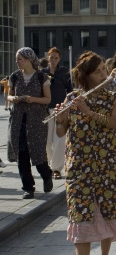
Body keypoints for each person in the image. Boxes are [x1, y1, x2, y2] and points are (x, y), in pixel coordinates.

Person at [52, 51, 116, 255]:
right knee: (80, 218)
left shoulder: (113, 95)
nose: (104, 73)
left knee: (107, 213)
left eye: (103, 69)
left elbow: (112, 124)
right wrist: (61, 117)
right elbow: (60, 133)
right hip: (80, 168)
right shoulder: (72, 97)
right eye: (98, 71)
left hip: (108, 165)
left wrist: (87, 110)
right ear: (86, 76)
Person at [7, 47, 54, 199]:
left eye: (19, 59)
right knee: (22, 153)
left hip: (37, 120)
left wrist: (32, 99)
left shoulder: (42, 77)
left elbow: (48, 99)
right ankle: (28, 187)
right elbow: (8, 95)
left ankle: (46, 174)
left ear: (28, 60)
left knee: (38, 152)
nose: (17, 62)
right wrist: (13, 99)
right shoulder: (14, 76)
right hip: (18, 119)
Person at [44, 47, 73, 180]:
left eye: (56, 58)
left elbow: (70, 90)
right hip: (45, 110)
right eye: (51, 57)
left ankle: (56, 168)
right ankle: (48, 164)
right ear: (47, 58)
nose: (53, 60)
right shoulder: (42, 73)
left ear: (59, 59)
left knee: (59, 139)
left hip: (60, 109)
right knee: (47, 140)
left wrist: (67, 106)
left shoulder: (64, 72)